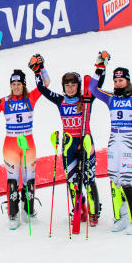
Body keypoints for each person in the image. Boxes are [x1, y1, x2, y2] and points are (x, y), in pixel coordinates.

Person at [30, 55, 102, 226]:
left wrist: (101, 67)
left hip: (86, 141)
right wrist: (38, 71)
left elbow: (96, 85)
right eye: (67, 85)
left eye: (73, 85)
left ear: (78, 86)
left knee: (88, 179)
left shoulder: (86, 99)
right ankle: (79, 209)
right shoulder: (60, 100)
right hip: (69, 144)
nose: (70, 88)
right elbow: (42, 88)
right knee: (72, 180)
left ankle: (94, 211)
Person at [89, 53, 132, 234]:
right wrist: (99, 68)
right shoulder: (111, 97)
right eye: (115, 81)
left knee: (126, 180)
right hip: (114, 140)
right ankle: (123, 216)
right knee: (115, 180)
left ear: (127, 81)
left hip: (130, 140)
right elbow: (93, 88)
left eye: (121, 80)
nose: (118, 83)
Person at [0, 70, 43, 229]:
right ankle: (13, 214)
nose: (16, 87)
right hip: (11, 146)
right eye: (13, 84)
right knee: (12, 180)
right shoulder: (4, 101)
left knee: (29, 179)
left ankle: (28, 211)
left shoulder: (31, 98)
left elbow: (45, 84)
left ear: (24, 85)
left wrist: (40, 69)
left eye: (19, 84)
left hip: (28, 145)